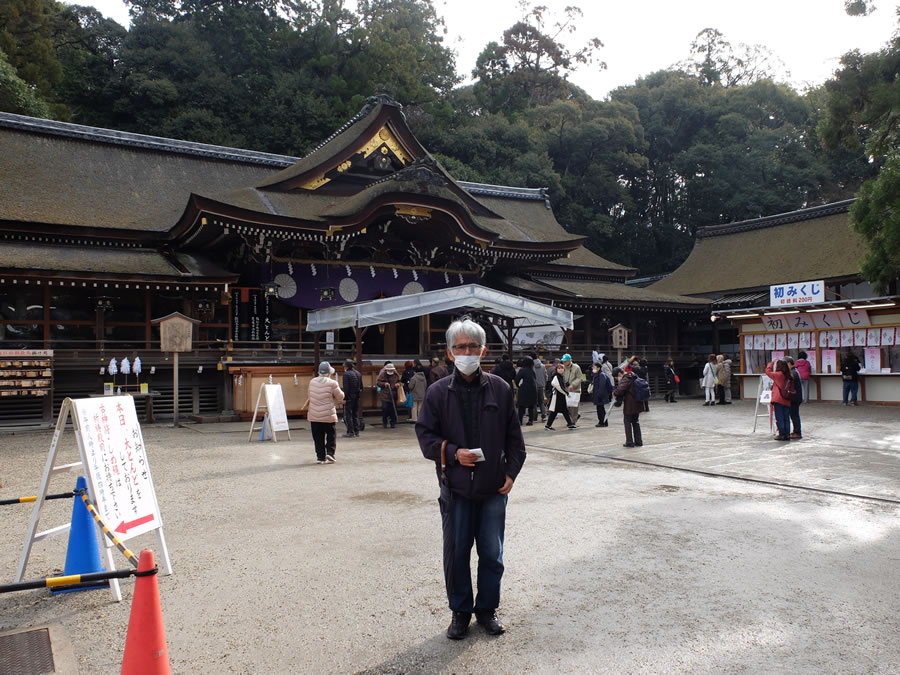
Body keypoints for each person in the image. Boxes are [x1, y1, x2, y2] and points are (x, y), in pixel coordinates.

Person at [415, 316, 526, 640]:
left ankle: (487, 610)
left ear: (483, 350)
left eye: (472, 346)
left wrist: (511, 473)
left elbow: (515, 439)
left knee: (492, 553)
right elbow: (425, 437)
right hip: (457, 488)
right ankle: (460, 611)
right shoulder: (437, 393)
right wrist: (452, 453)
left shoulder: (501, 389)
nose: (467, 351)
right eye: (460, 347)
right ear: (450, 353)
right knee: (457, 552)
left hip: (493, 487)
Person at [303, 361, 344, 464]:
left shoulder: (312, 381)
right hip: (328, 415)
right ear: (329, 373)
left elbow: (310, 395)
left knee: (318, 437)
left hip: (314, 415)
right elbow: (340, 397)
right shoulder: (332, 383)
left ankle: (320, 457)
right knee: (331, 434)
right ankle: (330, 453)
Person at [613, 365, 645, 447]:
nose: (617, 379)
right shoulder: (634, 375)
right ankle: (639, 441)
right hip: (637, 402)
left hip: (630, 404)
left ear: (620, 373)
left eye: (617, 377)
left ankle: (629, 442)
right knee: (636, 422)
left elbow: (620, 390)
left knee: (627, 422)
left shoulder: (626, 378)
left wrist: (614, 393)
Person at [765, 359, 794, 441]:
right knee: (786, 418)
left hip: (779, 399)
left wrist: (771, 363)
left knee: (780, 418)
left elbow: (767, 372)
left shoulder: (778, 374)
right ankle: (787, 434)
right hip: (787, 398)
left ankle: (782, 434)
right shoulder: (789, 375)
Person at [545, 362, 576, 430]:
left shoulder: (560, 376)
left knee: (561, 411)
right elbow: (559, 387)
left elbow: (562, 386)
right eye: (559, 368)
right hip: (557, 396)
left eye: (562, 368)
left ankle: (569, 424)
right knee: (558, 411)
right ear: (556, 369)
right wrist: (567, 393)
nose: (561, 370)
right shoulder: (556, 376)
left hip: (559, 396)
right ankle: (548, 425)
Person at [341, 359, 363, 437]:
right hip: (357, 396)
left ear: (346, 366)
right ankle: (356, 431)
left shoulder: (346, 374)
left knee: (348, 414)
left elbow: (346, 388)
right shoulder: (358, 373)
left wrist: (345, 398)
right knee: (355, 414)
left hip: (350, 396)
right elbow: (361, 387)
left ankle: (350, 431)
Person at [513, 356, 537, 425]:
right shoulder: (532, 370)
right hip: (533, 389)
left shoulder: (522, 370)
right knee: (531, 406)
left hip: (524, 389)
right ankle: (530, 421)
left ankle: (520, 421)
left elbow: (517, 379)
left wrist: (518, 386)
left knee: (521, 406)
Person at [377, 362, 402, 428]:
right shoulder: (383, 374)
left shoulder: (396, 375)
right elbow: (378, 382)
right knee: (385, 408)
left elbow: (399, 381)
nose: (391, 371)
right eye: (389, 370)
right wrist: (384, 384)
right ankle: (384, 422)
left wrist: (398, 384)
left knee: (393, 409)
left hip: (393, 394)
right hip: (385, 394)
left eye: (392, 370)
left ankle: (393, 423)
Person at [784, 356, 803, 439]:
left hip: (794, 398)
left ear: (789, 363)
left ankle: (797, 432)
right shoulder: (794, 371)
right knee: (794, 415)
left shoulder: (793, 373)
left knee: (794, 415)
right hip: (796, 397)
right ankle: (796, 431)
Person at [560, 353, 583, 424]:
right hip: (566, 390)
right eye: (563, 361)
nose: (564, 362)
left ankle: (573, 421)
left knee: (574, 406)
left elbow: (580, 378)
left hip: (575, 390)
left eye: (565, 361)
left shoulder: (576, 367)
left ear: (570, 360)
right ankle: (574, 417)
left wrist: (573, 384)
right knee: (568, 406)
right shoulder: (562, 367)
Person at [590, 361, 614, 426]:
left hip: (600, 395)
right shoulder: (598, 375)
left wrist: (599, 394)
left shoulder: (601, 375)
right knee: (601, 409)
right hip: (599, 395)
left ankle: (602, 422)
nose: (593, 368)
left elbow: (601, 386)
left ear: (598, 368)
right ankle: (604, 422)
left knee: (600, 409)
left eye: (594, 367)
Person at [532, 352, 547, 421]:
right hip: (541, 385)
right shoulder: (543, 366)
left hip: (533, 386)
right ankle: (544, 415)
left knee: (534, 402)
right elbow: (546, 376)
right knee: (541, 401)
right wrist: (544, 384)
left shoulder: (531, 366)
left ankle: (534, 417)